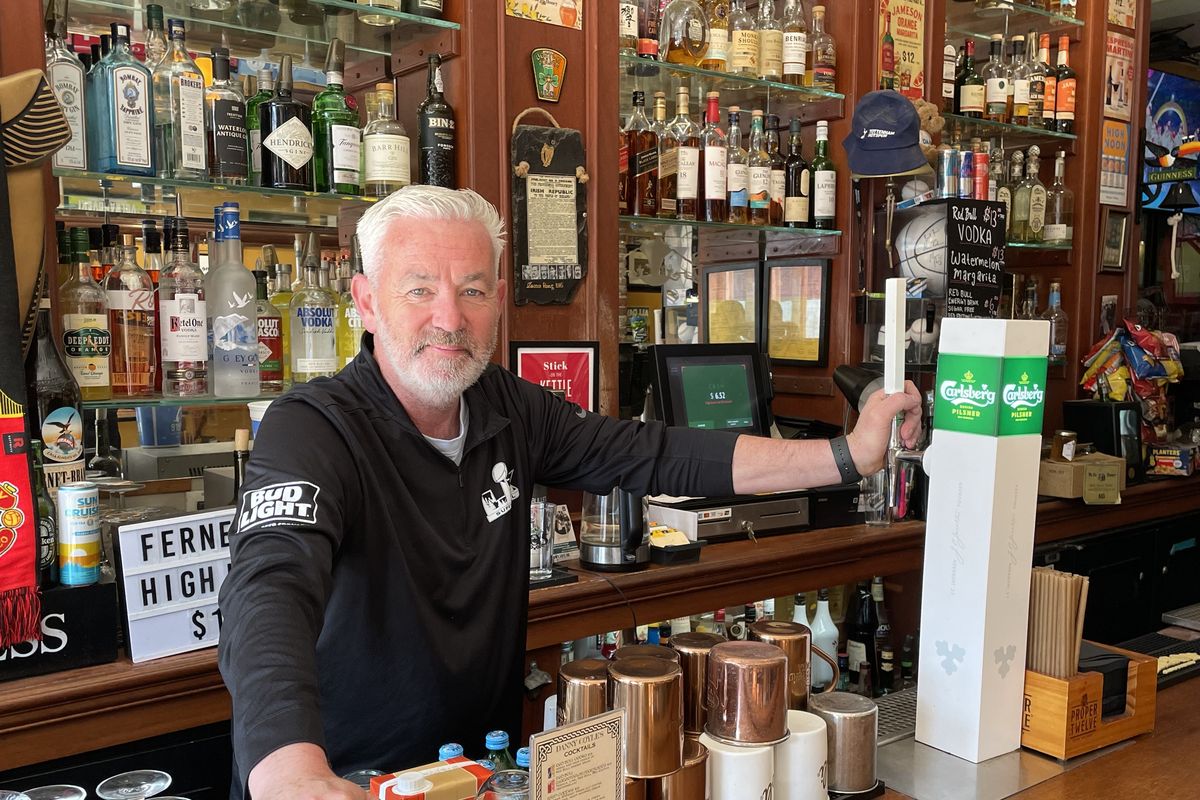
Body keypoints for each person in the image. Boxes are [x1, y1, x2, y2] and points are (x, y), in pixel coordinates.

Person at [217, 186, 921, 799]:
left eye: (471, 290)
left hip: (474, 773)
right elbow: (267, 591)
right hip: (346, 779)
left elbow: (661, 453)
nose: (449, 318)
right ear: (368, 303)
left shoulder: (507, 409)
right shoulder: (311, 428)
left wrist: (849, 454)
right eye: (419, 288)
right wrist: (290, 774)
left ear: (497, 301)